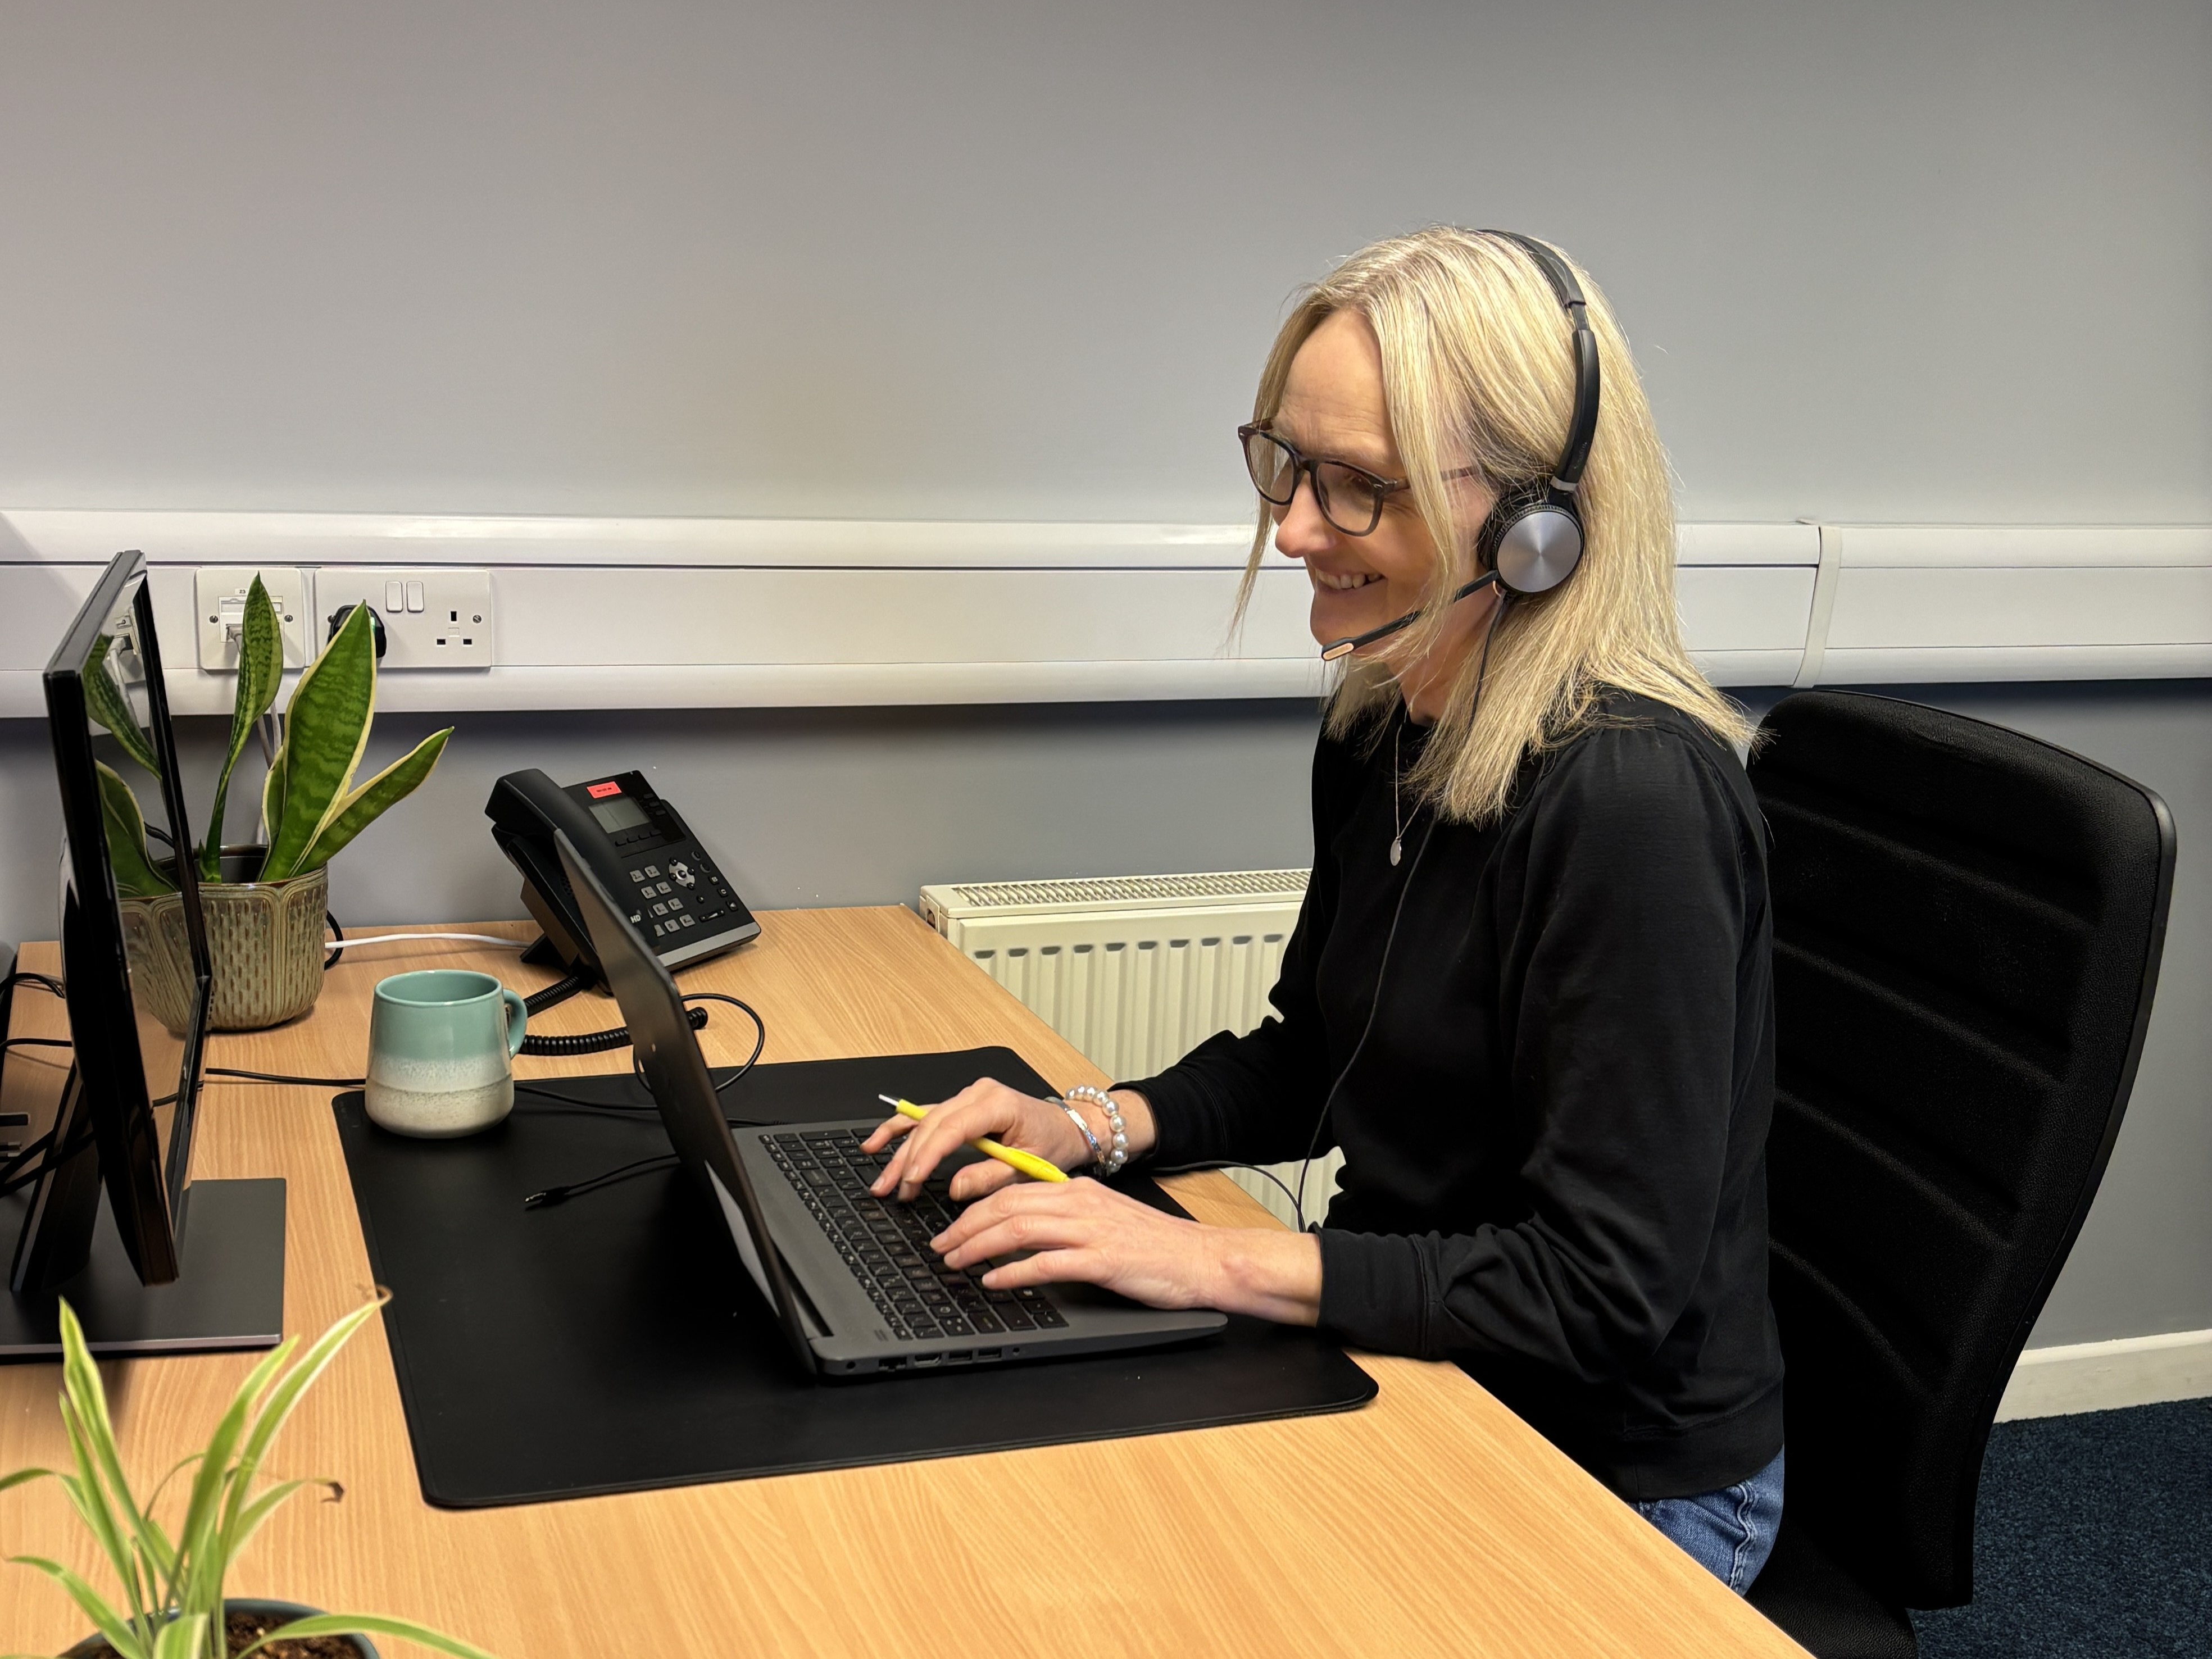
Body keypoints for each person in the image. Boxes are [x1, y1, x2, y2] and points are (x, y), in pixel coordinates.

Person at [865, 227, 1785, 1593]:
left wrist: (1213, 1263)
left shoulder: (1633, 805)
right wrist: (1089, 1125)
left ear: (1539, 530)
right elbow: (1322, 1052)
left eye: (1356, 487)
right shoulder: (1387, 721)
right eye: (1287, 466)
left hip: (1617, 1477)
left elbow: (1599, 1297)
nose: (1294, 527)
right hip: (1421, 1358)